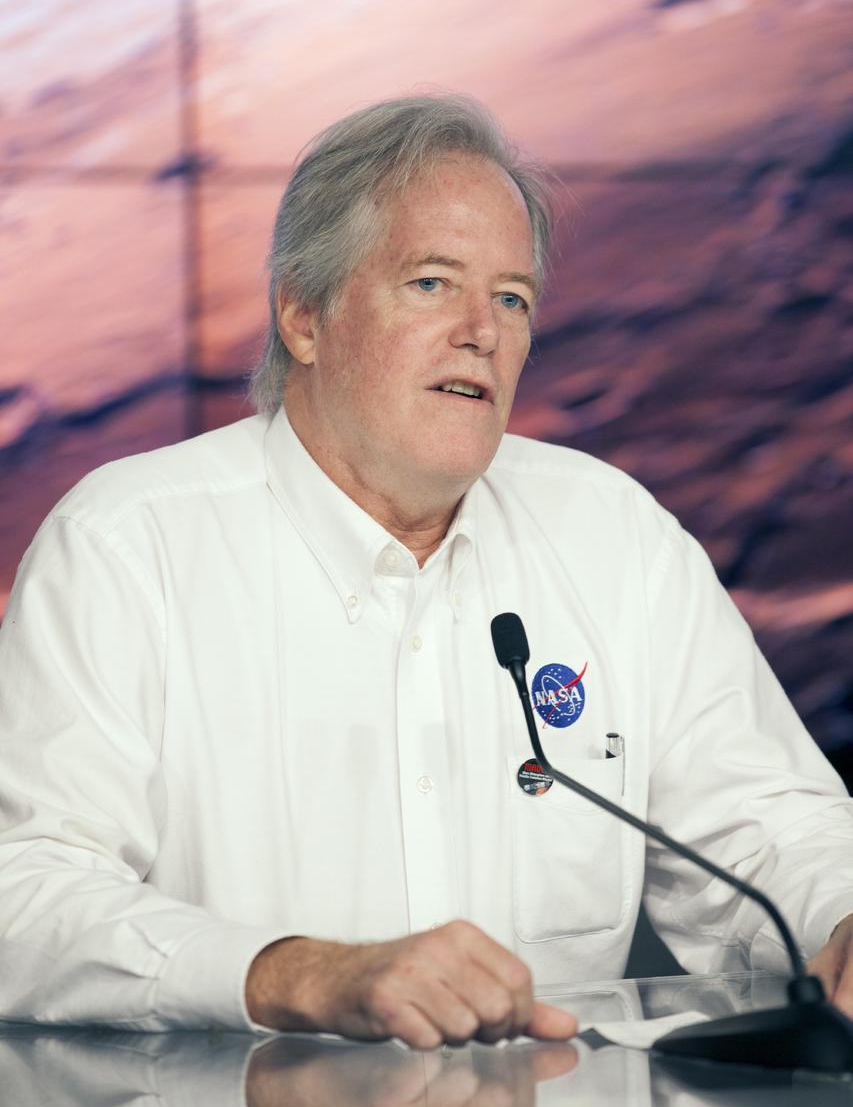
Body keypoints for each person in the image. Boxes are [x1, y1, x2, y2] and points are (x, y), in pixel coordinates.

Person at [0, 95, 851, 1048]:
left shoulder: (616, 536)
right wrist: (293, 971)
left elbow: (765, 825)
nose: (482, 331)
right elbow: (21, 892)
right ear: (303, 315)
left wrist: (842, 916)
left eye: (513, 298)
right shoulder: (128, 545)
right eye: (432, 284)